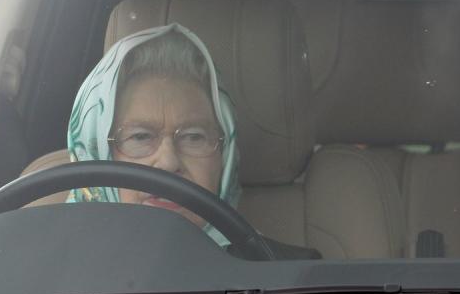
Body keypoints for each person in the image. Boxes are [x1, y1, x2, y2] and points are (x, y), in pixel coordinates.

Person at [67, 24, 320, 259]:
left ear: (226, 157)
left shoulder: (290, 275)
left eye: (193, 137)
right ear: (95, 152)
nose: (168, 163)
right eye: (140, 136)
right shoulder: (43, 271)